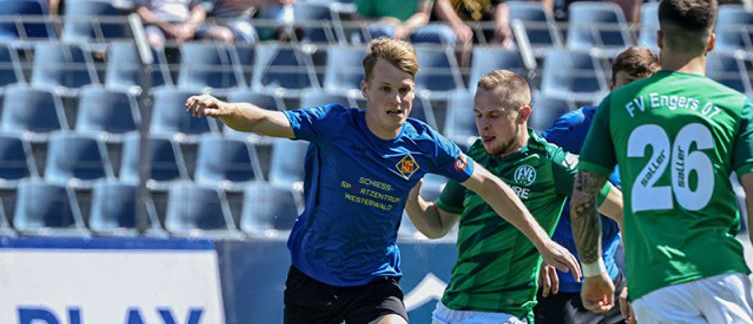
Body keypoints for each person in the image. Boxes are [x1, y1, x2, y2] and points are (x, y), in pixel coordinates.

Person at [184, 38, 579, 324]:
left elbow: (490, 185)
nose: (397, 100)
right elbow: (266, 120)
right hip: (312, 276)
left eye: (404, 91)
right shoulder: (334, 125)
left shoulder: (423, 144)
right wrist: (227, 109)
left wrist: (542, 242)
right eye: (386, 89)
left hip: (375, 282)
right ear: (366, 90)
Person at [571, 0, 753, 323]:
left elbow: (583, 195)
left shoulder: (617, 105)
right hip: (722, 272)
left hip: (656, 281)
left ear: (659, 37)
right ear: (711, 40)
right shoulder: (736, 106)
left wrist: (594, 270)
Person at [403, 70, 621, 324]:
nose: (484, 125)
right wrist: (411, 198)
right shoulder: (475, 158)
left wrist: (617, 277)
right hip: (449, 309)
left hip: (502, 313)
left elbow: (622, 209)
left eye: (494, 115)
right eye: (478, 115)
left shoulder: (551, 163)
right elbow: (436, 225)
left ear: (523, 115)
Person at [534, 46, 659, 324]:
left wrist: (636, 282)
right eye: (627, 85)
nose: (635, 96)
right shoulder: (575, 128)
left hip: (610, 280)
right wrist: (538, 248)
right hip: (560, 284)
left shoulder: (655, 142)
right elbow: (528, 179)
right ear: (612, 86)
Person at [131, 0, 231, 48]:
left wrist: (189, 27)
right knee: (152, 41)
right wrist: (165, 26)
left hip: (186, 24)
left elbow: (198, 9)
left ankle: (203, 74)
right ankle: (156, 75)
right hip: (157, 25)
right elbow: (141, 10)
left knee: (222, 36)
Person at [355, 0, 457, 45]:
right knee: (386, 32)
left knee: (446, 35)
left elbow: (423, 14)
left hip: (414, 30)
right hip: (382, 32)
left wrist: (404, 28)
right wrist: (382, 22)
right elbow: (358, 18)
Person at [202, 0, 298, 43]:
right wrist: (266, 0)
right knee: (246, 33)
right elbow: (233, 0)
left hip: (260, 16)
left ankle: (285, 32)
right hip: (232, 20)